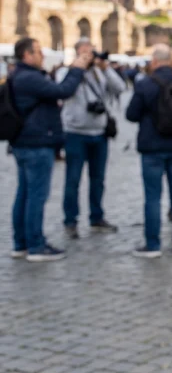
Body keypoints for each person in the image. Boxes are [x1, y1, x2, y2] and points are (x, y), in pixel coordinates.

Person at [8, 38, 90, 261]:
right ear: (27, 55)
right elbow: (63, 90)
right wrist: (76, 70)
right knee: (36, 195)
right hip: (36, 142)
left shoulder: (19, 75)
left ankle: (21, 243)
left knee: (24, 193)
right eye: (38, 52)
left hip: (24, 141)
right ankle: (35, 245)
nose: (42, 55)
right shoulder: (30, 78)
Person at [125, 44, 172, 258]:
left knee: (153, 197)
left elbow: (131, 114)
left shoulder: (145, 84)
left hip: (152, 146)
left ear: (155, 61)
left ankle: (153, 244)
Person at [57, 39, 126, 239]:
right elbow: (63, 90)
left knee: (98, 179)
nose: (90, 57)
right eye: (85, 53)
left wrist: (106, 68)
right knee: (73, 179)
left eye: (91, 53)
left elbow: (120, 87)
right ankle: (71, 220)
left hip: (99, 132)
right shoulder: (66, 72)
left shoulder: (99, 72)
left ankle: (97, 216)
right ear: (77, 54)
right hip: (75, 133)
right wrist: (77, 69)